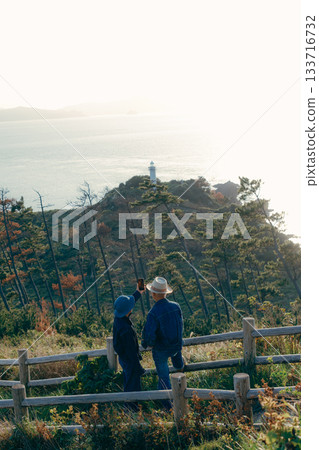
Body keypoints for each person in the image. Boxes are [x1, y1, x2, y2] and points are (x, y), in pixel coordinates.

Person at [141, 277, 184, 399]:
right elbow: (180, 326)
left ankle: (167, 403)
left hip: (161, 349)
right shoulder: (176, 306)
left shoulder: (153, 312)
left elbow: (150, 334)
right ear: (165, 292)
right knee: (178, 365)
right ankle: (182, 389)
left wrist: (147, 343)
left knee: (164, 377)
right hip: (176, 345)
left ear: (153, 294)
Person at [113, 284, 146, 393]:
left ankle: (130, 406)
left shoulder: (118, 319)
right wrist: (138, 367)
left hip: (124, 359)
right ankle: (131, 408)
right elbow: (131, 351)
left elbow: (126, 305)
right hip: (130, 361)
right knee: (133, 386)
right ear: (128, 310)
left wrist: (138, 293)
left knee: (128, 381)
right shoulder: (126, 330)